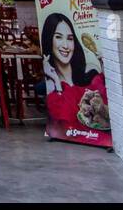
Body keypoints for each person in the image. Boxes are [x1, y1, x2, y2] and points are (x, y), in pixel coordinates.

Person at [41, 12, 110, 144]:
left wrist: (104, 66)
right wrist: (56, 81)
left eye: (70, 38)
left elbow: (107, 98)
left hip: (101, 137)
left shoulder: (91, 71)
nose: (66, 45)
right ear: (49, 39)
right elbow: (61, 118)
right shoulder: (52, 85)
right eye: (58, 37)